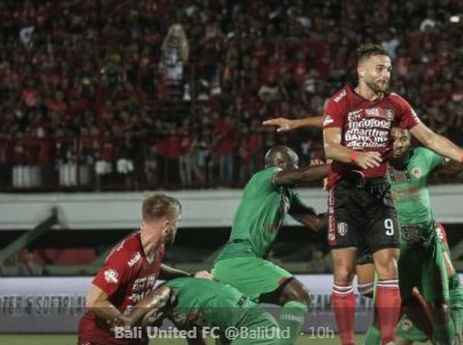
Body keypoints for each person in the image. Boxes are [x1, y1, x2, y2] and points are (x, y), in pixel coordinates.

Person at [322, 43, 463, 345]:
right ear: (360, 70)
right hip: (372, 218)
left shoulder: (399, 110)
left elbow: (431, 138)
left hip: (423, 242)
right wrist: (352, 159)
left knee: (439, 308)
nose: (386, 73)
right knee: (362, 290)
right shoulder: (343, 105)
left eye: (389, 68)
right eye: (380, 67)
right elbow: (330, 145)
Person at [264, 117, 463, 345]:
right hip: (391, 247)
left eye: (404, 138)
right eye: (394, 138)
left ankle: (439, 332)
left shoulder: (423, 157)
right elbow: (338, 124)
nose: (399, 143)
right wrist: (298, 126)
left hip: (423, 246)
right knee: (383, 311)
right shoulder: (372, 161)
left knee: (435, 307)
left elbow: (452, 167)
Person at [211, 145, 327, 345]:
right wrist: (335, 167)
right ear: (282, 163)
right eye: (295, 163)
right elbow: (303, 175)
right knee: (299, 296)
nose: (297, 167)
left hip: (231, 264)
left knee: (228, 336)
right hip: (241, 259)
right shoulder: (265, 176)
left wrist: (337, 191)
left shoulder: (287, 194)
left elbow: (316, 224)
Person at [78, 193, 212, 345]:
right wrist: (125, 321)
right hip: (101, 338)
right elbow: (94, 301)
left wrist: (189, 276)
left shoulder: (157, 249)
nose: (178, 227)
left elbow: (155, 268)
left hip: (132, 339)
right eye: (177, 222)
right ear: (167, 225)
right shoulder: (126, 257)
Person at [122, 277, 282, 345]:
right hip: (242, 329)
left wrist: (129, 320)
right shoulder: (180, 316)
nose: (153, 326)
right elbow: (196, 342)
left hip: (255, 325)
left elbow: (158, 296)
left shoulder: (168, 290)